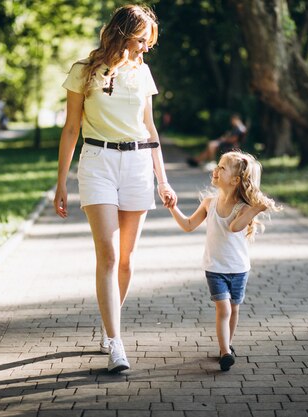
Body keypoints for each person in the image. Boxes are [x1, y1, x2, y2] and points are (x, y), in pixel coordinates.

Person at [53, 4, 177, 373]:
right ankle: (116, 343)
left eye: (148, 43)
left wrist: (163, 179)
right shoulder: (83, 72)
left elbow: (149, 129)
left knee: (125, 259)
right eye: (141, 40)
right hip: (97, 163)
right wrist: (60, 182)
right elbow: (71, 129)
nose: (145, 48)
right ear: (122, 36)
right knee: (107, 254)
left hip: (138, 164)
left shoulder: (143, 73)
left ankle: (110, 329)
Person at [167, 150, 281, 371]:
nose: (215, 170)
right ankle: (225, 352)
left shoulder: (243, 208)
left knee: (234, 309)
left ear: (235, 180)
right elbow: (188, 225)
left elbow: (235, 227)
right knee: (224, 309)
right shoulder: (209, 203)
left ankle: (227, 343)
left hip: (239, 269)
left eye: (221, 168)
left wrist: (254, 210)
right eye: (217, 166)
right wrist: (173, 207)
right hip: (215, 268)